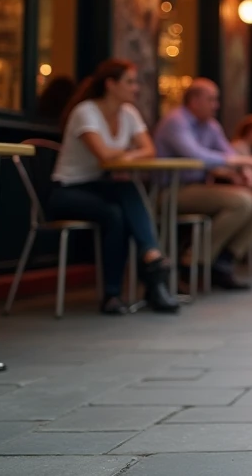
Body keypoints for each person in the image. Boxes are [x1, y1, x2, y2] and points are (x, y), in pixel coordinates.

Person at [48, 59, 178, 315]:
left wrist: (124, 156)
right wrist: (129, 153)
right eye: (130, 81)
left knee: (124, 194)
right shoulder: (86, 112)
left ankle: (141, 271)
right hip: (68, 190)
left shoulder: (129, 113)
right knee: (115, 211)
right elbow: (104, 157)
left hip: (101, 187)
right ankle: (144, 278)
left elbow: (149, 150)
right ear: (111, 84)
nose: (136, 88)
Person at [154, 79, 252, 291]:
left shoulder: (210, 125)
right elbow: (196, 156)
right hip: (171, 191)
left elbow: (227, 152)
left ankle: (222, 263)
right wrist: (240, 163)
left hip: (199, 188)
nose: (216, 105)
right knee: (241, 202)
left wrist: (242, 172)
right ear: (194, 101)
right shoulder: (176, 121)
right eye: (211, 99)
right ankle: (190, 262)